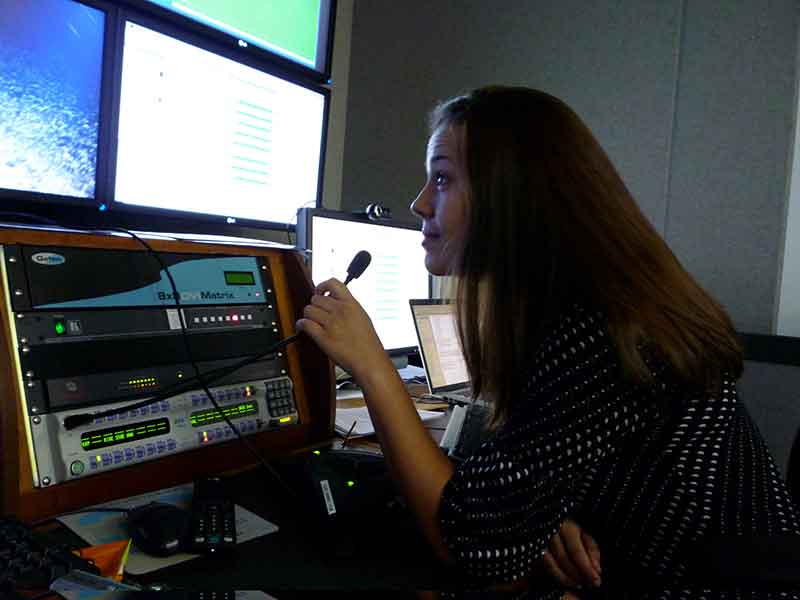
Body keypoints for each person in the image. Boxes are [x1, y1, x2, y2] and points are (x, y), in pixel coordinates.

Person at [296, 86, 800, 598]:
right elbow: (531, 498)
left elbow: (471, 545)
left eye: (442, 179)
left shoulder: (597, 333)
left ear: (510, 196)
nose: (419, 202)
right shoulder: (595, 307)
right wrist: (548, 512)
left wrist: (372, 365)